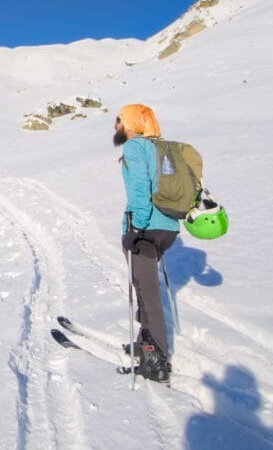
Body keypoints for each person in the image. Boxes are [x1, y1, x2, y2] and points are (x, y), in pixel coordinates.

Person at [114, 103, 178, 383]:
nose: (115, 126)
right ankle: (146, 342)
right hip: (168, 227)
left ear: (130, 123)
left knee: (147, 290)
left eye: (118, 120)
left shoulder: (135, 147)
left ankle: (157, 360)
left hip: (146, 227)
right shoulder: (162, 147)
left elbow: (140, 188)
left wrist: (136, 227)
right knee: (144, 285)